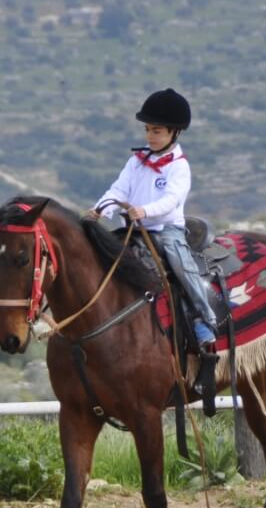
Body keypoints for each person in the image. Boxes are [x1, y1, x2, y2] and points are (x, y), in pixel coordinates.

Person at [86, 88, 218, 353]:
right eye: (147, 130)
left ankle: (204, 319)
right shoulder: (136, 161)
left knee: (181, 266)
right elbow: (119, 190)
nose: (149, 136)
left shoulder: (179, 166)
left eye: (156, 131)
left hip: (167, 230)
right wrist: (101, 208)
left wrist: (145, 211)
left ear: (174, 132)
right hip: (133, 229)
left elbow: (172, 200)